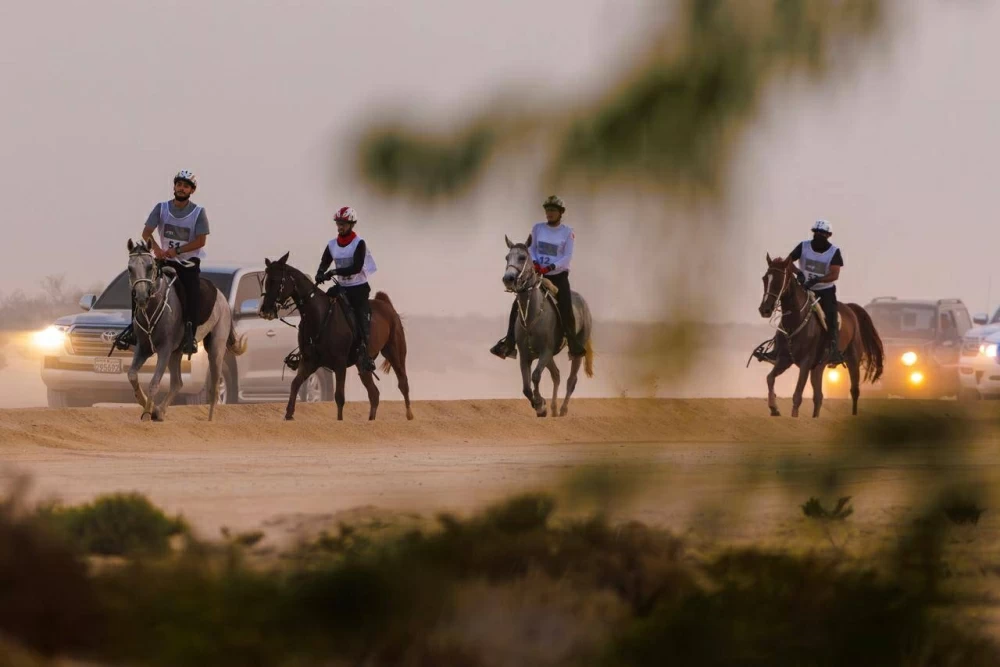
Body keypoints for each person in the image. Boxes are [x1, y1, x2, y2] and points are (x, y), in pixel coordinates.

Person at [116, 170, 209, 356]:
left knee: (191, 292)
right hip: (163, 261)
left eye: (186, 186)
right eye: (179, 185)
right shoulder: (161, 208)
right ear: (174, 186)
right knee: (141, 286)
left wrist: (178, 251)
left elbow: (201, 241)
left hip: (187, 264)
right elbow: (146, 232)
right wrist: (157, 249)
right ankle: (134, 329)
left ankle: (190, 333)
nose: (181, 189)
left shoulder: (198, 213)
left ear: (191, 190)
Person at [490, 195, 587, 360]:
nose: (549, 213)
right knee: (517, 305)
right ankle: (509, 343)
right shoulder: (537, 228)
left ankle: (572, 342)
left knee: (566, 306)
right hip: (537, 274)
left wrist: (550, 266)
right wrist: (535, 263)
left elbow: (567, 257)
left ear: (560, 213)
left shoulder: (567, 232)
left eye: (553, 210)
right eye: (547, 210)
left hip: (558, 275)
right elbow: (532, 249)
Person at [756, 219, 845, 366]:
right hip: (804, 288)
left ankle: (834, 351)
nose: (818, 235)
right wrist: (799, 273)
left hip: (825, 291)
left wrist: (817, 280)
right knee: (788, 313)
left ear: (828, 235)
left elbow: (834, 274)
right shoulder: (803, 246)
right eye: (816, 232)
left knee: (831, 317)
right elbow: (789, 262)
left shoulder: (834, 252)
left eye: (822, 233)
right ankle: (775, 350)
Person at [315, 206, 378, 373]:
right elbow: (325, 261)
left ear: (351, 224)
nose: (339, 227)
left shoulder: (359, 244)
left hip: (358, 289)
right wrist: (320, 273)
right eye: (338, 223)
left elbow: (356, 267)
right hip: (342, 287)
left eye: (343, 224)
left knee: (360, 316)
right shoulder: (332, 244)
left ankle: (366, 354)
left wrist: (334, 271)